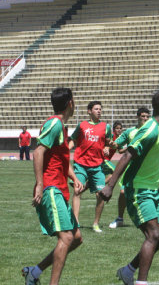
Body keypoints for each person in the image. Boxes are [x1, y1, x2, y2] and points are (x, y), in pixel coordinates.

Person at [99, 91, 159, 285]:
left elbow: (152, 158)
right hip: (138, 190)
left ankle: (128, 271)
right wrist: (110, 186)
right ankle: (141, 282)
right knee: (153, 235)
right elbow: (127, 155)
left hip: (154, 190)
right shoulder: (150, 129)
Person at [22, 87, 84, 285]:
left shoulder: (61, 127)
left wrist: (74, 177)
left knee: (76, 238)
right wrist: (40, 184)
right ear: (70, 104)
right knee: (66, 237)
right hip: (51, 188)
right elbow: (38, 152)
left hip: (60, 188)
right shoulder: (55, 124)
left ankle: (35, 272)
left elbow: (58, 159)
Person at [70, 101, 112, 233]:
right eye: (96, 109)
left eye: (100, 109)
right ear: (89, 111)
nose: (99, 111)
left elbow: (108, 142)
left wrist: (106, 148)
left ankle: (95, 224)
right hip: (81, 164)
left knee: (101, 195)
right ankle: (75, 222)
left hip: (97, 165)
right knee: (77, 190)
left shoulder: (106, 127)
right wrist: (67, 149)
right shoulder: (82, 125)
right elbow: (73, 139)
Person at [108, 108, 150, 229]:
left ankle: (147, 220)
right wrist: (113, 144)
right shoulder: (130, 131)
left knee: (145, 195)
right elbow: (118, 143)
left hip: (146, 168)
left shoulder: (151, 131)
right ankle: (120, 218)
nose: (145, 119)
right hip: (131, 167)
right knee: (122, 192)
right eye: (143, 116)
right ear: (138, 117)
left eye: (147, 116)